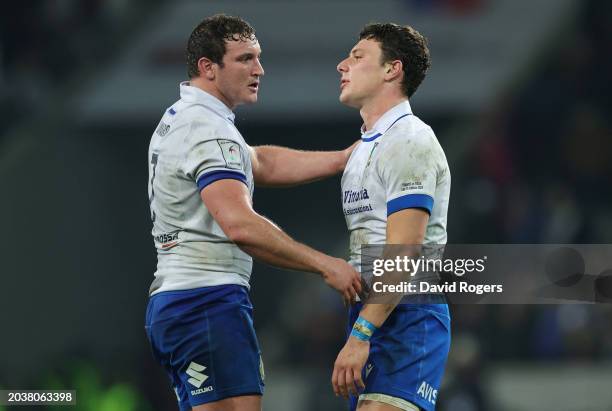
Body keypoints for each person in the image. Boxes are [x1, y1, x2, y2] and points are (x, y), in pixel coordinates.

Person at [144, 14, 362, 411]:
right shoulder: (207, 129)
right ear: (208, 68)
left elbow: (257, 162)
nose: (259, 69)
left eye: (258, 58)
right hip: (205, 302)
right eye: (245, 59)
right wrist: (324, 264)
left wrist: (343, 159)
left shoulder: (189, 118)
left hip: (187, 302)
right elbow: (240, 225)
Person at [331, 23, 451, 411]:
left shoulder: (409, 140)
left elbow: (404, 250)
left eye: (357, 56)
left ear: (391, 69)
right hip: (373, 311)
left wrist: (361, 333)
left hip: (408, 313)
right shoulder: (366, 146)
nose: (342, 65)